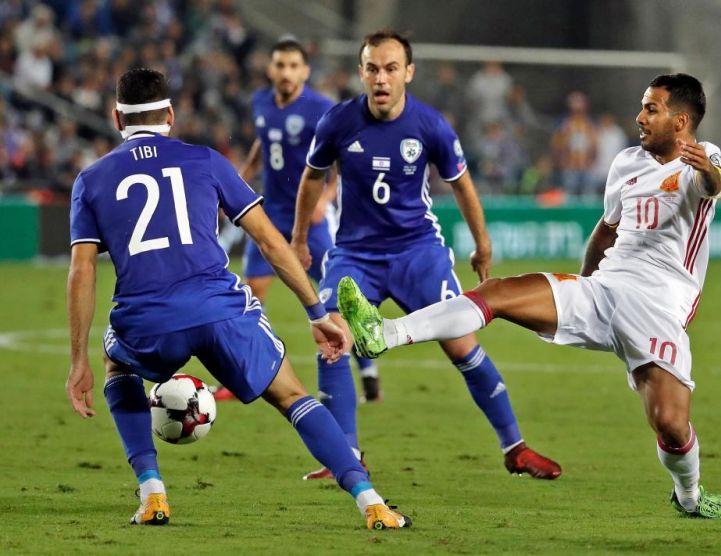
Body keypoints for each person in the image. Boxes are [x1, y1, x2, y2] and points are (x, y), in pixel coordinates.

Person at [338, 73, 721, 520]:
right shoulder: (627, 163)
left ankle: (689, 496)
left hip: (659, 309)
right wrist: (582, 285)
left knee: (670, 425)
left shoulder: (702, 159)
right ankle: (384, 332)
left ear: (681, 121)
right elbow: (607, 229)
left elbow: (715, 185)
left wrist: (705, 168)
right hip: (605, 291)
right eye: (642, 106)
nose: (640, 116)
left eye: (651, 108)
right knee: (496, 293)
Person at [65, 68, 410, 530]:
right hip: (219, 309)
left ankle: (152, 492)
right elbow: (269, 241)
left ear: (116, 118)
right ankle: (371, 502)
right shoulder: (206, 160)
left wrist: (77, 359)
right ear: (170, 115)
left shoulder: (91, 180)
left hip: (147, 319)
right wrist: (316, 311)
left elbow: (82, 270)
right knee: (292, 396)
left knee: (117, 364)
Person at [291, 30, 561, 481]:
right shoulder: (337, 122)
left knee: (461, 343)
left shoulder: (430, 125)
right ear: (361, 72)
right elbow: (312, 178)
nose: (381, 78)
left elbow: (462, 184)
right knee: (331, 339)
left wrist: (483, 243)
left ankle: (515, 447)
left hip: (417, 252)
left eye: (391, 68)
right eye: (373, 68)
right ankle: (345, 457)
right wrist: (300, 238)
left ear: (408, 73)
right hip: (355, 254)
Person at [211, 38, 382, 404]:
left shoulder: (321, 108)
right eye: (280, 65)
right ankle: (249, 375)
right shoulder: (260, 102)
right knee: (252, 294)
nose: (286, 72)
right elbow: (262, 146)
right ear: (270, 69)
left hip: (311, 218)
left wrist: (326, 197)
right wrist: (237, 181)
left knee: (338, 295)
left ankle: (368, 370)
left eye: (293, 66)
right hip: (271, 215)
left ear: (305, 71)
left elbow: (345, 160)